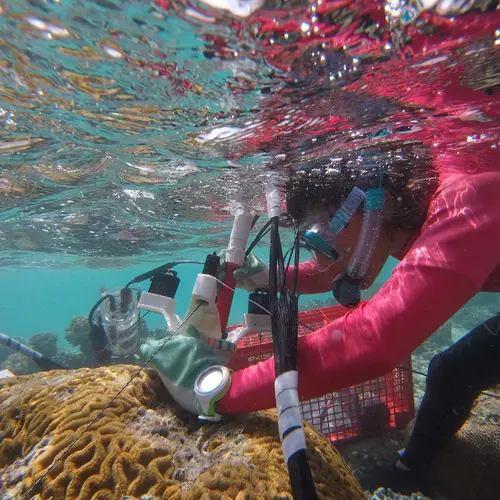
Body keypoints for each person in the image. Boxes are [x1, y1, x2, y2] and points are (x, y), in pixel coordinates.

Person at [139, 137, 500, 492]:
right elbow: (331, 269)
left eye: (323, 232)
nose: (323, 253)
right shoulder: (394, 220)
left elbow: (373, 341)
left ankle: (409, 472)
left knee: (454, 370)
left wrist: (219, 390)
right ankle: (410, 471)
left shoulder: (467, 201)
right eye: (311, 240)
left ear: (379, 204)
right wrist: (269, 277)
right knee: (452, 372)